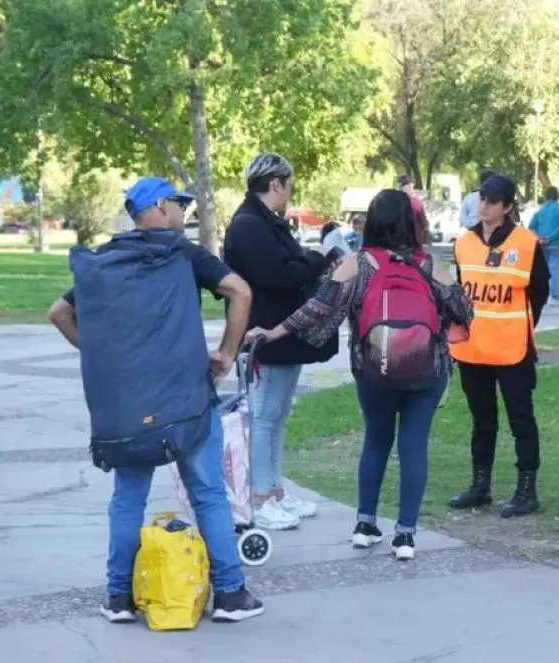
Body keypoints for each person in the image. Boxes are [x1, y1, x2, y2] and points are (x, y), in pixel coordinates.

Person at [46, 176, 264, 624]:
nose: (184, 213)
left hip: (128, 407)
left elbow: (60, 313)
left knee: (128, 499)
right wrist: (226, 353)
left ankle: (118, 598)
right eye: (181, 204)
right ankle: (230, 594)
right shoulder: (184, 254)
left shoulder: (105, 262)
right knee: (208, 494)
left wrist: (104, 356)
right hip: (187, 402)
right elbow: (240, 290)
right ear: (162, 207)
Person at [245, 190, 473, 560]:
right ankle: (405, 535)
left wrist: (273, 332)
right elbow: (463, 308)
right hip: (426, 369)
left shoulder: (359, 263)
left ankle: (365, 525)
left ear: (372, 222)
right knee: (414, 445)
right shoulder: (430, 264)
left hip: (373, 368)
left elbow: (318, 307)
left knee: (376, 440)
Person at [223, 152, 340, 531]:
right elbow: (279, 273)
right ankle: (259, 498)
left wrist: (311, 259)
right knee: (263, 417)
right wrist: (320, 257)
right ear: (276, 183)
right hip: (264, 334)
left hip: (283, 333)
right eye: (288, 185)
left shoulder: (266, 221)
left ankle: (274, 489)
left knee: (276, 416)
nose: (290, 192)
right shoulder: (248, 225)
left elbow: (288, 265)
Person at [448, 174, 550, 518]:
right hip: (473, 347)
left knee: (521, 419)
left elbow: (539, 292)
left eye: (491, 201)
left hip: (512, 348)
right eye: (482, 199)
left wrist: (520, 325)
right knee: (482, 420)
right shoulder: (464, 242)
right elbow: (460, 289)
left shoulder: (527, 243)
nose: (484, 206)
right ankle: (480, 485)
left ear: (507, 207)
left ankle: (527, 490)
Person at [528, 186, 559, 303]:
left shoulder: (540, 210)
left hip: (542, 245)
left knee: (544, 271)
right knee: (555, 270)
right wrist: (550, 238)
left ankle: (544, 296)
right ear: (557, 195)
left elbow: (531, 227)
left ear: (545, 196)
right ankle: (555, 296)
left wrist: (539, 238)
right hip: (557, 244)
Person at [399, 174, 429, 245]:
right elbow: (424, 222)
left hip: (401, 241)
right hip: (414, 241)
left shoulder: (397, 201)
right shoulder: (417, 202)